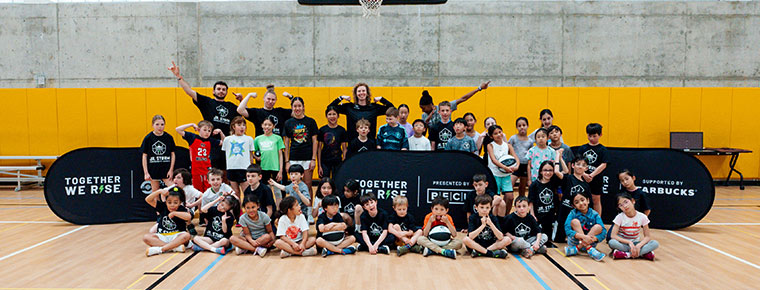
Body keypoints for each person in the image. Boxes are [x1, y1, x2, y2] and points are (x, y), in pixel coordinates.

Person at [169, 61, 240, 171]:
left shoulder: (232, 107)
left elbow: (243, 114)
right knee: (211, 174)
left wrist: (241, 100)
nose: (221, 91)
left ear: (226, 92)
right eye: (219, 89)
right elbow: (189, 91)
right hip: (209, 143)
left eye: (223, 90)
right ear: (213, 91)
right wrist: (179, 77)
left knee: (227, 174)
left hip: (225, 144)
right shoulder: (207, 102)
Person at [329, 83, 394, 140]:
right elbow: (330, 107)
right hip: (353, 144)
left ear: (367, 93)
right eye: (359, 91)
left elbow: (392, 109)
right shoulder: (349, 107)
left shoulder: (374, 107)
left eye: (363, 91)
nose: (361, 93)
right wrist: (341, 97)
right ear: (356, 94)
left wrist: (382, 99)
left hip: (370, 144)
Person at [283, 96, 319, 199]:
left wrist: (313, 159)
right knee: (295, 186)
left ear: (303, 107)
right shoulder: (288, 123)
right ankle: (296, 210)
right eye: (295, 106)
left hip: (307, 158)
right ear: (292, 107)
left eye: (299, 106)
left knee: (307, 185)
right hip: (293, 158)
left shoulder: (311, 121)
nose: (297, 108)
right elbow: (286, 143)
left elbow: (314, 141)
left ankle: (308, 211)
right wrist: (287, 161)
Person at [176, 121, 223, 192]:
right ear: (198, 129)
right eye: (204, 130)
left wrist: (220, 132)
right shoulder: (192, 137)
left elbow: (225, 142)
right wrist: (191, 124)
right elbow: (178, 129)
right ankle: (198, 203)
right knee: (197, 190)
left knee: (208, 190)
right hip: (196, 170)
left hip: (207, 169)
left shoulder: (211, 141)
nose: (207, 132)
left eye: (209, 131)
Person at [609, 192, 659, 260]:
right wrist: (629, 242)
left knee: (655, 243)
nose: (625, 206)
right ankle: (642, 254)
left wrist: (639, 245)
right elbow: (613, 235)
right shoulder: (619, 217)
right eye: (621, 205)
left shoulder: (642, 217)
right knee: (612, 243)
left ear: (633, 201)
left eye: (626, 202)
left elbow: (647, 237)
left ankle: (627, 254)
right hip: (624, 243)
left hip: (636, 243)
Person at [144, 186, 191, 256]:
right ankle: (173, 248)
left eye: (175, 203)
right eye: (169, 202)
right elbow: (148, 199)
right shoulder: (162, 206)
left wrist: (175, 213)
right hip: (162, 236)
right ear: (166, 201)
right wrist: (159, 191)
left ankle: (161, 249)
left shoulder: (181, 209)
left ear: (180, 202)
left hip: (176, 236)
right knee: (146, 237)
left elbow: (188, 217)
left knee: (186, 235)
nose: (172, 205)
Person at [419, 81, 490, 128]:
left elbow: (463, 98)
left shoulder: (444, 107)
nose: (422, 110)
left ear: (430, 105)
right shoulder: (424, 115)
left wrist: (479, 88)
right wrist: (430, 114)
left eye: (423, 108)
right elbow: (424, 128)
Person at [553, 154, 590, 243]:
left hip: (576, 216)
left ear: (586, 168)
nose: (580, 167)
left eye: (583, 165)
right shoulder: (568, 178)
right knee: (558, 240)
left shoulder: (586, 185)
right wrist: (558, 156)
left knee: (577, 238)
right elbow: (557, 172)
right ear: (573, 166)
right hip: (564, 212)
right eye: (578, 164)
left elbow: (588, 204)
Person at [575, 123, 608, 217]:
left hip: (596, 179)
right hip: (582, 178)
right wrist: (584, 174)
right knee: (580, 199)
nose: (592, 138)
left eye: (594, 136)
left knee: (596, 200)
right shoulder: (582, 148)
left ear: (600, 135)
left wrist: (592, 175)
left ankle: (598, 222)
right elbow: (577, 162)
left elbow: (604, 164)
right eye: (590, 136)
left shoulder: (603, 150)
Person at [564, 191, 607, 262]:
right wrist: (583, 237)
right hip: (575, 242)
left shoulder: (594, 214)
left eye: (582, 200)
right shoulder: (572, 213)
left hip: (591, 242)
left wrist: (595, 239)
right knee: (575, 222)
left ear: (588, 200)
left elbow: (604, 231)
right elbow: (567, 229)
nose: (581, 203)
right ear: (574, 206)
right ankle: (589, 249)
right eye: (577, 202)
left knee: (598, 227)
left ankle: (576, 249)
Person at [485, 125, 518, 214]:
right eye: (495, 133)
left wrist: (516, 166)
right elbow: (493, 160)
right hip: (494, 175)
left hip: (506, 175)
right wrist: (505, 167)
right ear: (491, 136)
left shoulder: (508, 145)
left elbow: (515, 157)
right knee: (497, 198)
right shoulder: (490, 145)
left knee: (510, 197)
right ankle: (495, 217)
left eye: (500, 132)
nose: (499, 135)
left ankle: (505, 216)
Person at [529, 160, 561, 246]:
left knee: (548, 238)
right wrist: (532, 215)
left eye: (550, 170)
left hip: (550, 217)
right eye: (545, 170)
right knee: (536, 236)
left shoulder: (554, 182)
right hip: (538, 216)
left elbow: (565, 172)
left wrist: (558, 158)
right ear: (541, 171)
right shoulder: (534, 185)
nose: (548, 172)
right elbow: (530, 202)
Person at [253, 118, 285, 204]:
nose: (267, 127)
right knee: (265, 191)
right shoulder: (257, 139)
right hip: (263, 169)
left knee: (277, 192)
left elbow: (280, 155)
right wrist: (256, 157)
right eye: (265, 124)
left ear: (273, 126)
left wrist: (281, 171)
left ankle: (279, 211)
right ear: (262, 126)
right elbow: (253, 152)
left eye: (269, 125)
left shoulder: (278, 138)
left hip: (275, 168)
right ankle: (267, 210)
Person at [141, 115, 176, 193]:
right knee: (155, 192)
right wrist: (146, 173)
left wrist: (171, 170)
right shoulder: (148, 138)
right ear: (152, 125)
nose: (160, 127)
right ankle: (156, 205)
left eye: (162, 124)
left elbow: (172, 154)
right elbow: (144, 156)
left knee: (174, 189)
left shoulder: (169, 137)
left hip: (166, 169)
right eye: (157, 124)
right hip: (153, 169)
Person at [222, 116, 254, 199]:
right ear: (233, 126)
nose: (242, 127)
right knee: (235, 193)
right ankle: (237, 211)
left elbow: (251, 155)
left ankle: (248, 210)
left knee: (247, 192)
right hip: (232, 168)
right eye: (239, 125)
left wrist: (251, 169)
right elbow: (226, 153)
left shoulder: (249, 139)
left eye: (244, 125)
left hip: (244, 169)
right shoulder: (227, 139)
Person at [318, 106, 348, 179]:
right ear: (326, 116)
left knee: (336, 182)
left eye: (334, 114)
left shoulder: (342, 130)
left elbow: (344, 148)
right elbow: (319, 149)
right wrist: (319, 165)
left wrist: (343, 163)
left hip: (337, 161)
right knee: (324, 182)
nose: (332, 116)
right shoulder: (322, 130)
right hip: (325, 161)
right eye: (329, 114)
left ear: (338, 116)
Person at [508, 117, 533, 197]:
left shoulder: (530, 141)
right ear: (516, 127)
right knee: (510, 184)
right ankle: (508, 201)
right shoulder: (513, 138)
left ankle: (521, 203)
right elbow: (508, 149)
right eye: (519, 125)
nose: (522, 127)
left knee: (522, 187)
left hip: (525, 165)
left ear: (527, 126)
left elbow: (530, 154)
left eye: (524, 125)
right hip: (515, 165)